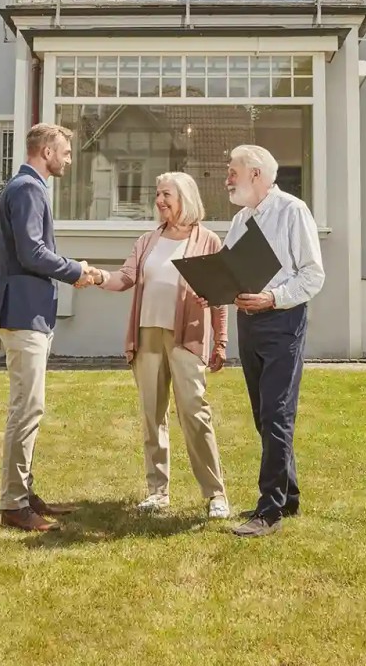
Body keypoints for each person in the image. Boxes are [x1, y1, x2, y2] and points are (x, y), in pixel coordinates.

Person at [0, 123, 105, 532]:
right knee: (27, 409)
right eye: (66, 152)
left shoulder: (26, 187)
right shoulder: (28, 189)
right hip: (23, 314)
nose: (69, 159)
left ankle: (23, 492)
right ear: (46, 152)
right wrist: (76, 271)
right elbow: (32, 251)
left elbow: (34, 250)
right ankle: (15, 504)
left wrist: (74, 270)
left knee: (28, 407)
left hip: (27, 312)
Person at [95, 172, 230, 519]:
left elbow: (219, 296)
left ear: (184, 197)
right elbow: (125, 277)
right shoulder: (147, 241)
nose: (160, 200)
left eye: (166, 194)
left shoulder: (208, 240)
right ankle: (157, 491)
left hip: (187, 335)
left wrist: (221, 341)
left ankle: (215, 494)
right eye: (157, 195)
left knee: (194, 413)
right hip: (147, 335)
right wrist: (95, 276)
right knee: (152, 415)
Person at [222, 145, 324, 538]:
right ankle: (288, 496)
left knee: (277, 414)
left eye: (233, 171)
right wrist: (216, 286)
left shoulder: (292, 211)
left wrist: (272, 298)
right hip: (248, 322)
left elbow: (313, 276)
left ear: (257, 174)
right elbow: (230, 268)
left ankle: (269, 512)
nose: (228, 177)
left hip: (282, 321)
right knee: (263, 414)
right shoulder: (240, 220)